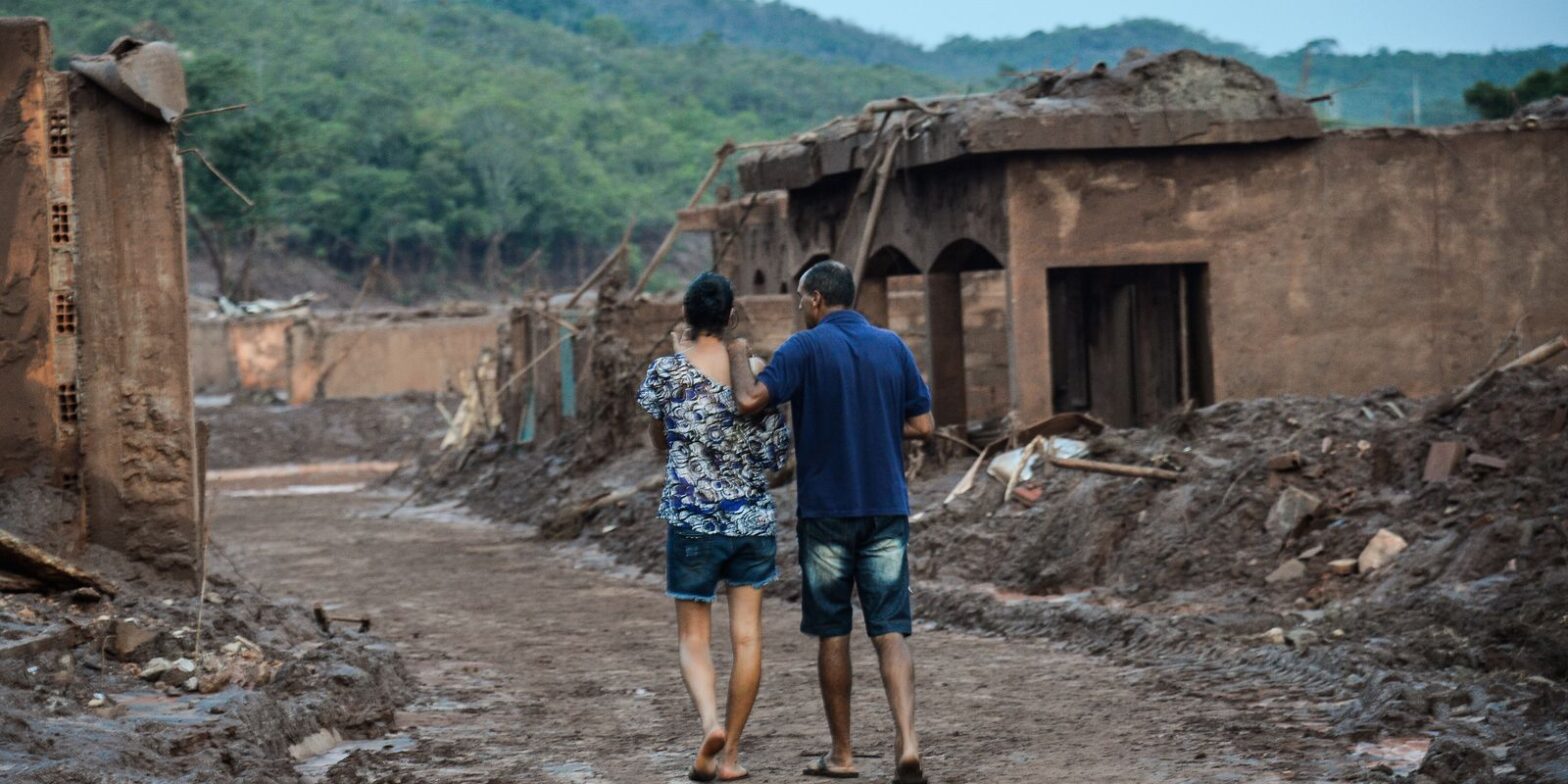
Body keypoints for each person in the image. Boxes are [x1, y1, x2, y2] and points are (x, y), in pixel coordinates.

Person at [727, 259, 934, 784]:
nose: (801, 307)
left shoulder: (804, 347)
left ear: (816, 298)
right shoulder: (893, 346)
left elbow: (750, 399)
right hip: (886, 507)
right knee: (890, 631)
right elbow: (924, 424)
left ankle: (842, 756)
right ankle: (907, 743)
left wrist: (737, 353)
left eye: (801, 298)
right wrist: (875, 426)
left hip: (827, 513)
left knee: (834, 633)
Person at [638, 272, 790, 782]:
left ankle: (710, 724)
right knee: (747, 638)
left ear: (686, 316)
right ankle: (731, 758)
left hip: (692, 520)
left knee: (694, 637)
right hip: (751, 519)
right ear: (730, 317)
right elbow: (775, 455)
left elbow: (659, 440)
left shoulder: (664, 373)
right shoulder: (756, 371)